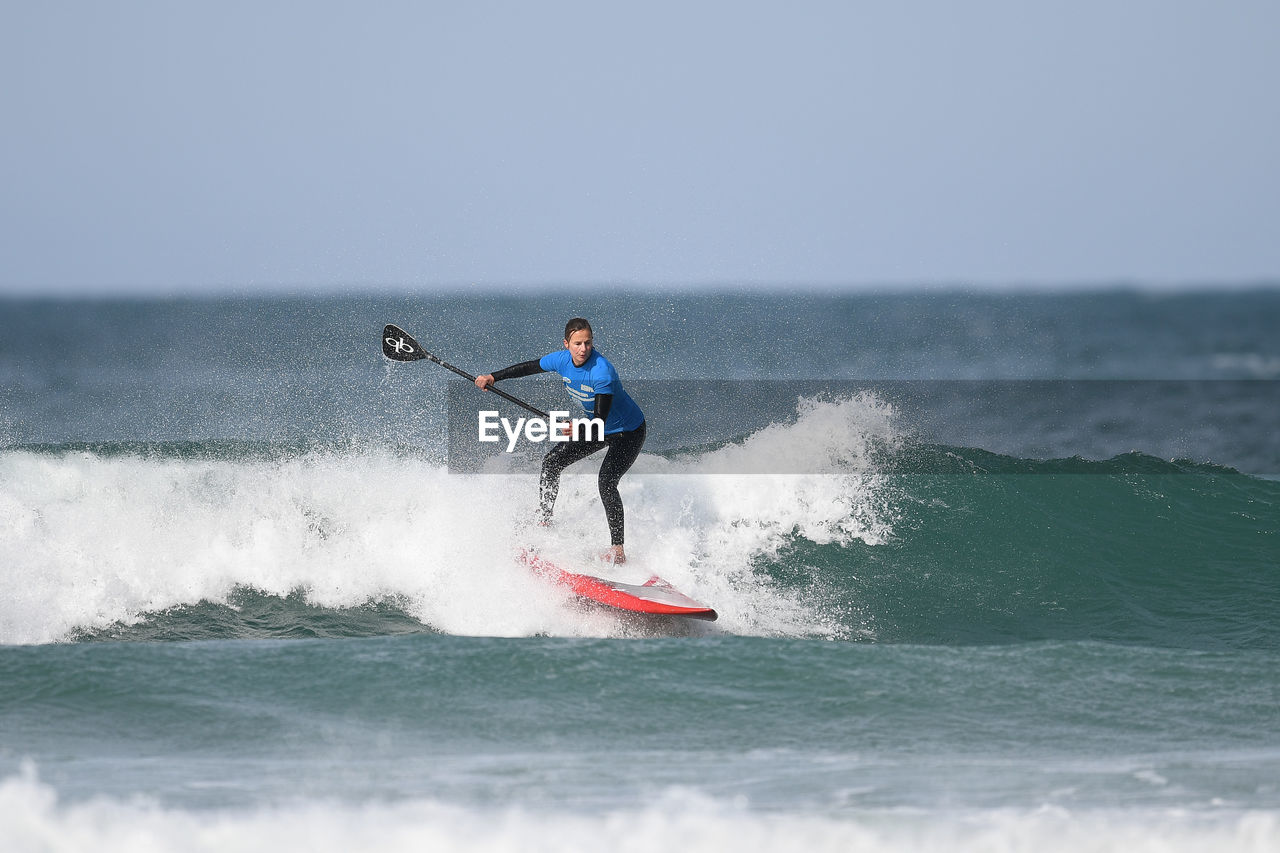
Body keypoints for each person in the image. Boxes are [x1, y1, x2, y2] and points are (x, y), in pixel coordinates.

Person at [475, 318, 645, 564]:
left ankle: (618, 551)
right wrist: (493, 377)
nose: (583, 348)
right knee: (552, 461)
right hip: (597, 427)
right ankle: (544, 520)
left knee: (607, 482)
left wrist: (579, 427)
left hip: (628, 431)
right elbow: (529, 367)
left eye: (588, 343)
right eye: (577, 343)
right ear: (567, 344)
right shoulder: (561, 360)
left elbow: (599, 419)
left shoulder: (601, 371)